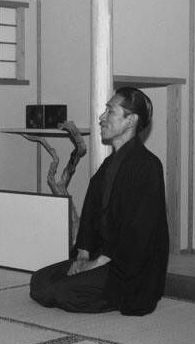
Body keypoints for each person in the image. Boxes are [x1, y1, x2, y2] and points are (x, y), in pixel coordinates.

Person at [30, 87, 169, 316]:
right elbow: (90, 215)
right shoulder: (108, 166)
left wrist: (97, 263)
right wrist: (83, 254)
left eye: (110, 112)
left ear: (131, 120)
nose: (102, 117)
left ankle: (116, 296)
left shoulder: (148, 166)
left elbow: (138, 231)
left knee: (63, 292)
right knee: (40, 281)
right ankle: (89, 284)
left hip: (126, 266)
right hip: (99, 256)